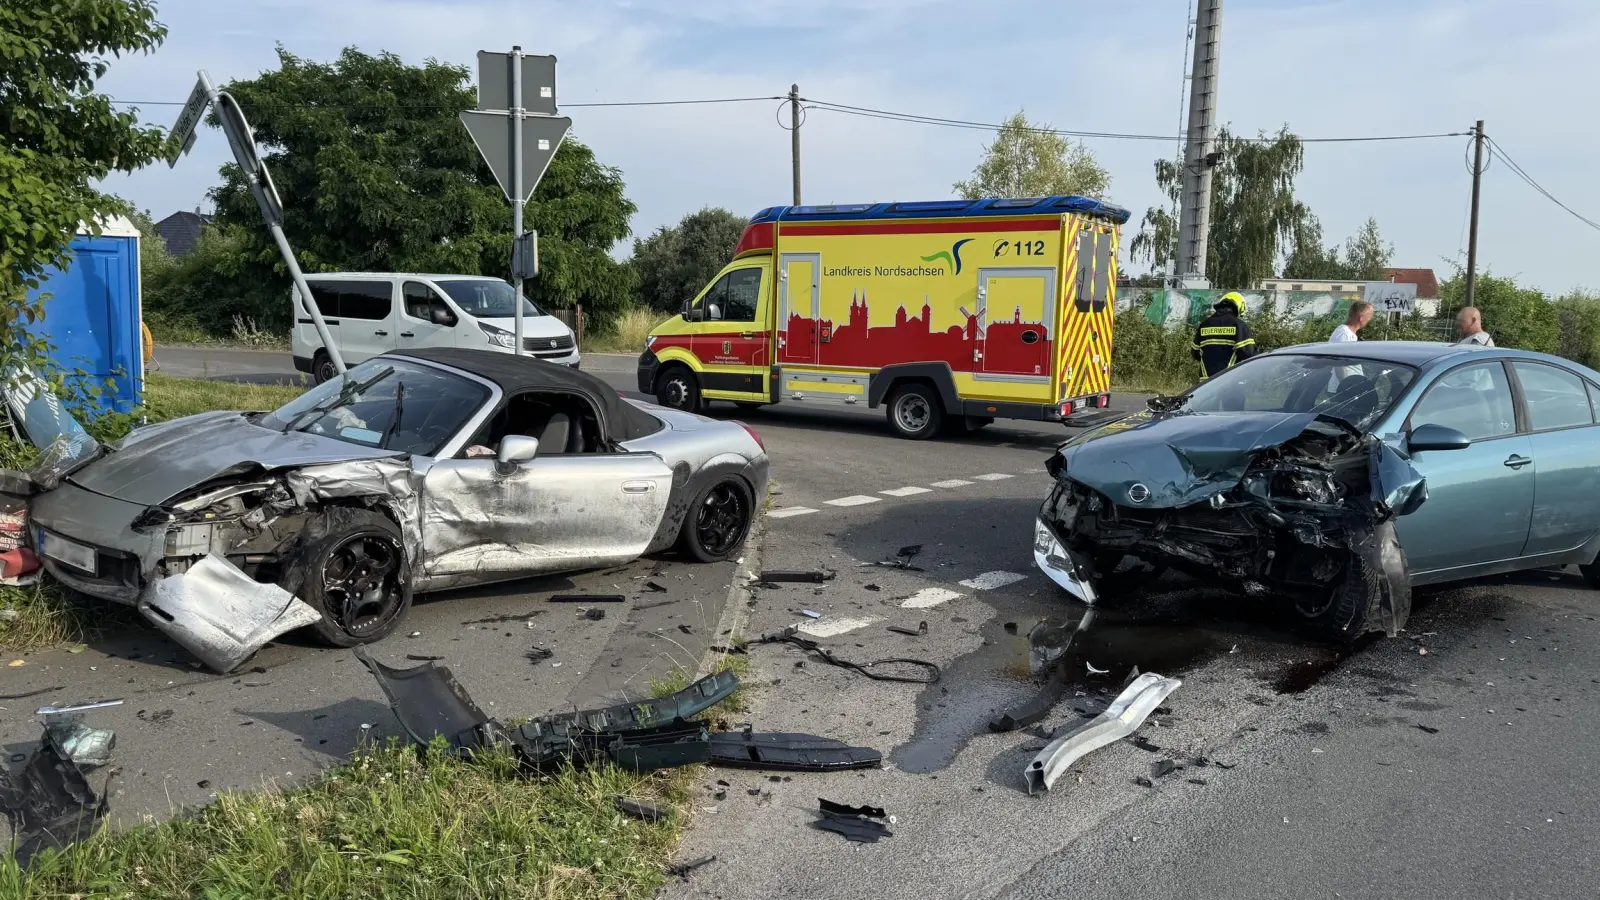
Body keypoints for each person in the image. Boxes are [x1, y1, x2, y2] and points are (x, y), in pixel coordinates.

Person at [1191, 292, 1257, 379]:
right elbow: (1248, 354)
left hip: (1205, 383)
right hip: (1228, 381)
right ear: (1239, 307)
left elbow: (1195, 352)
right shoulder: (1239, 325)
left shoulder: (1204, 324)